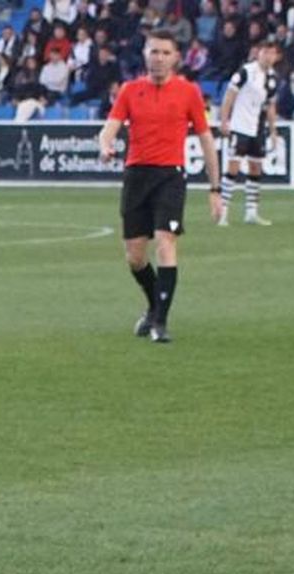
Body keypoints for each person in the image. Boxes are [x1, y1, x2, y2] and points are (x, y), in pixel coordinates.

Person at [98, 29, 222, 344]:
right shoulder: (129, 90)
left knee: (166, 243)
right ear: (145, 55)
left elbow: (207, 140)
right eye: (154, 52)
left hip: (170, 176)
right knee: (135, 257)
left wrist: (215, 188)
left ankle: (161, 324)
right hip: (136, 175)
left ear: (176, 58)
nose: (159, 58)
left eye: (166, 53)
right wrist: (105, 145)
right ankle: (155, 306)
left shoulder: (189, 92)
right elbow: (109, 129)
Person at [216, 40, 280, 227]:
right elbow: (230, 95)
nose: (268, 56)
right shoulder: (246, 72)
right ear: (259, 53)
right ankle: (223, 211)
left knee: (255, 168)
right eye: (265, 52)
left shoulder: (272, 78)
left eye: (272, 53)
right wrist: (224, 120)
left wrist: (273, 131)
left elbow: (270, 105)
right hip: (240, 125)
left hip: (257, 127)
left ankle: (251, 212)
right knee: (233, 168)